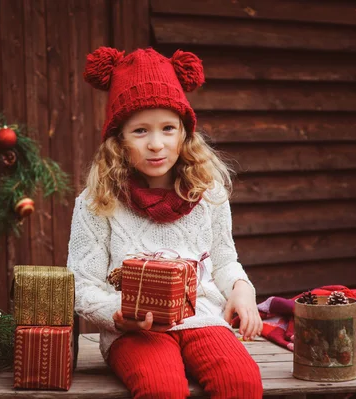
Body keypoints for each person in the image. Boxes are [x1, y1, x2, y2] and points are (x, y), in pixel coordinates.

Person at [66, 46, 264, 399]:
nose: (156, 144)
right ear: (118, 140)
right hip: (135, 331)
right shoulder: (98, 202)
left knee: (241, 382)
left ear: (184, 133)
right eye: (140, 131)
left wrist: (242, 289)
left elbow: (223, 259)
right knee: (162, 389)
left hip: (202, 318)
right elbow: (82, 285)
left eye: (168, 128)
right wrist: (119, 313)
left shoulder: (208, 193)